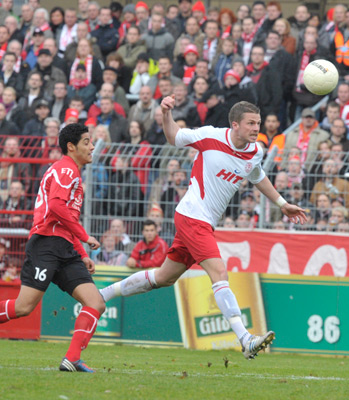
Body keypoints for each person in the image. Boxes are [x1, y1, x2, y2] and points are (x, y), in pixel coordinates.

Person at [100, 96, 307, 359]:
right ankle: (245, 339)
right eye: (251, 123)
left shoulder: (256, 151)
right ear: (235, 124)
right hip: (192, 215)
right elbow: (174, 137)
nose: (256, 128)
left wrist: (282, 203)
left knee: (164, 278)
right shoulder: (211, 136)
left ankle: (102, 294)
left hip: (204, 222)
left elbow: (257, 176)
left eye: (258, 123)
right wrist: (166, 113)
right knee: (219, 271)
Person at [0, 123, 105, 373]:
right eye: (87, 142)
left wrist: (82, 254)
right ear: (71, 147)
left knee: (95, 302)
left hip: (64, 248)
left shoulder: (70, 171)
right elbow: (56, 207)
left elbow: (65, 218)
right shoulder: (66, 170)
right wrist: (85, 237)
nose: (92, 146)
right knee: (23, 307)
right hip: (46, 245)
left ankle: (72, 358)